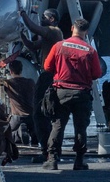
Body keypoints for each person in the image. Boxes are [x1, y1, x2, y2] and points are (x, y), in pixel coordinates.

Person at [43, 18, 101, 170]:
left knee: (58, 126)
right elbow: (96, 73)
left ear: (72, 28)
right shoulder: (90, 51)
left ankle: (52, 159)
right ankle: (79, 160)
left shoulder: (59, 46)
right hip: (81, 93)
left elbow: (47, 66)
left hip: (61, 91)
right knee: (80, 127)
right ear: (86, 32)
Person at [19, 3, 64, 163]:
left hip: (48, 76)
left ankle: (47, 150)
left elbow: (34, 29)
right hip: (52, 76)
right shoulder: (51, 36)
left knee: (38, 113)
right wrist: (22, 35)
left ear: (51, 19)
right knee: (48, 113)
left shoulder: (53, 32)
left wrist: (22, 13)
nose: (41, 20)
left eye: (44, 17)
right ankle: (52, 150)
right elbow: (32, 45)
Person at [0, 59, 37, 145]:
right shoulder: (31, 82)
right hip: (30, 116)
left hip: (17, 117)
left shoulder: (8, 83)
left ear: (10, 71)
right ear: (21, 70)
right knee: (35, 136)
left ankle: (15, 137)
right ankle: (34, 144)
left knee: (4, 135)